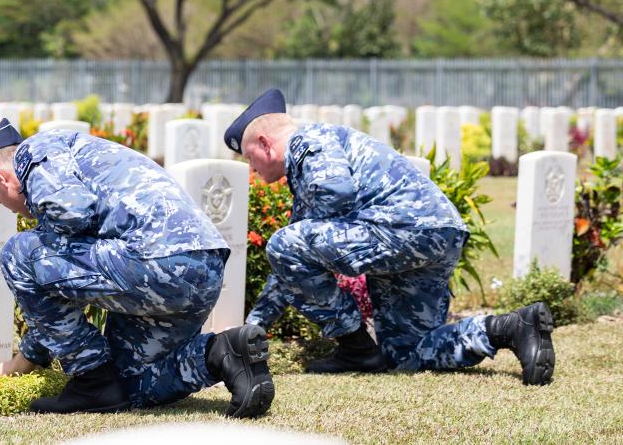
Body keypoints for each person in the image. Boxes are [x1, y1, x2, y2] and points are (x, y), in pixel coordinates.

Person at [223, 89, 555, 385]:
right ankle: (509, 328)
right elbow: (289, 269)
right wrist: (254, 326)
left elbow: (334, 194)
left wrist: (315, 243)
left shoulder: (308, 141)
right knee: (407, 352)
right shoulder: (313, 157)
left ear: (265, 143)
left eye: (250, 157)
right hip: (435, 235)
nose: (252, 168)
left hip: (400, 230)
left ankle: (356, 348)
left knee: (285, 242)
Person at [0, 118, 274, 416]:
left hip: (153, 259)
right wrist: (27, 357)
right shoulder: (74, 155)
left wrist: (25, 360)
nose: (11, 209)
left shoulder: (34, 150)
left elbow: (72, 212)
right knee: (124, 385)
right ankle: (223, 353)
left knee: (18, 253)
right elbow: (62, 281)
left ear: (0, 178)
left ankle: (91, 380)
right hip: (201, 268)